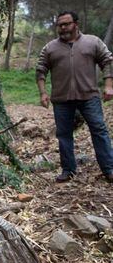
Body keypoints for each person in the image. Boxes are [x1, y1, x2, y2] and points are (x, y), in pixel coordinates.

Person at [36, 11, 113, 183]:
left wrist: (109, 86)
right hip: (61, 99)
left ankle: (109, 169)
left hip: (89, 96)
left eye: (66, 23)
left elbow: (107, 61)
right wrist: (43, 93)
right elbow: (41, 69)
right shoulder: (50, 48)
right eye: (60, 25)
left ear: (75, 24)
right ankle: (68, 170)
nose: (63, 27)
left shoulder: (92, 42)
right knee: (63, 134)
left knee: (99, 130)